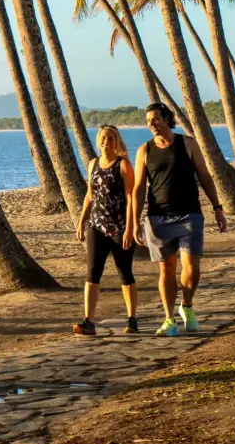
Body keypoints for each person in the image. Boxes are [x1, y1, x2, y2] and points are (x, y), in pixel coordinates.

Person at [125, 102, 227, 337]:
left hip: (189, 213)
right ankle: (169, 319)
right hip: (158, 217)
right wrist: (135, 221)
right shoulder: (144, 150)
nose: (151, 124)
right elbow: (139, 188)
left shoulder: (187, 143)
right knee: (166, 268)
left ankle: (187, 306)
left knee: (192, 267)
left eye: (155, 119)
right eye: (148, 120)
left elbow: (204, 175)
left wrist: (217, 207)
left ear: (167, 119)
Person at [74, 125, 139, 336]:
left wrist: (130, 228)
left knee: (124, 272)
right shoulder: (93, 164)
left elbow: (131, 198)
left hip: (119, 227)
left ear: (117, 141)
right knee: (92, 272)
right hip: (96, 226)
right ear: (98, 140)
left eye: (110, 138)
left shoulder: (124, 165)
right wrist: (81, 221)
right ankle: (88, 321)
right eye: (103, 138)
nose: (106, 142)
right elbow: (89, 196)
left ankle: (131, 318)